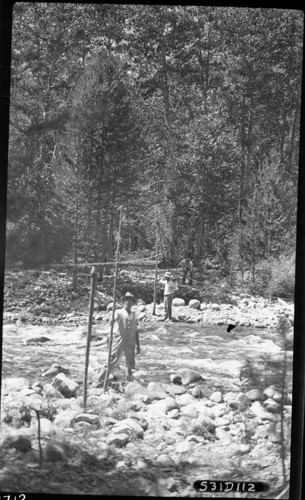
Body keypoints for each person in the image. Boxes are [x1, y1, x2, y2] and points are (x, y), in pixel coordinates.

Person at [98, 292, 140, 384]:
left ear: (133, 303)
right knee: (112, 359)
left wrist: (138, 345)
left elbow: (136, 330)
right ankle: (101, 379)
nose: (128, 302)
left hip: (131, 341)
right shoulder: (119, 312)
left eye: (130, 301)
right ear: (123, 302)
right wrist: (112, 320)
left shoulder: (134, 314)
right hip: (120, 339)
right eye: (126, 300)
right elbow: (113, 319)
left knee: (130, 362)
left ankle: (129, 382)